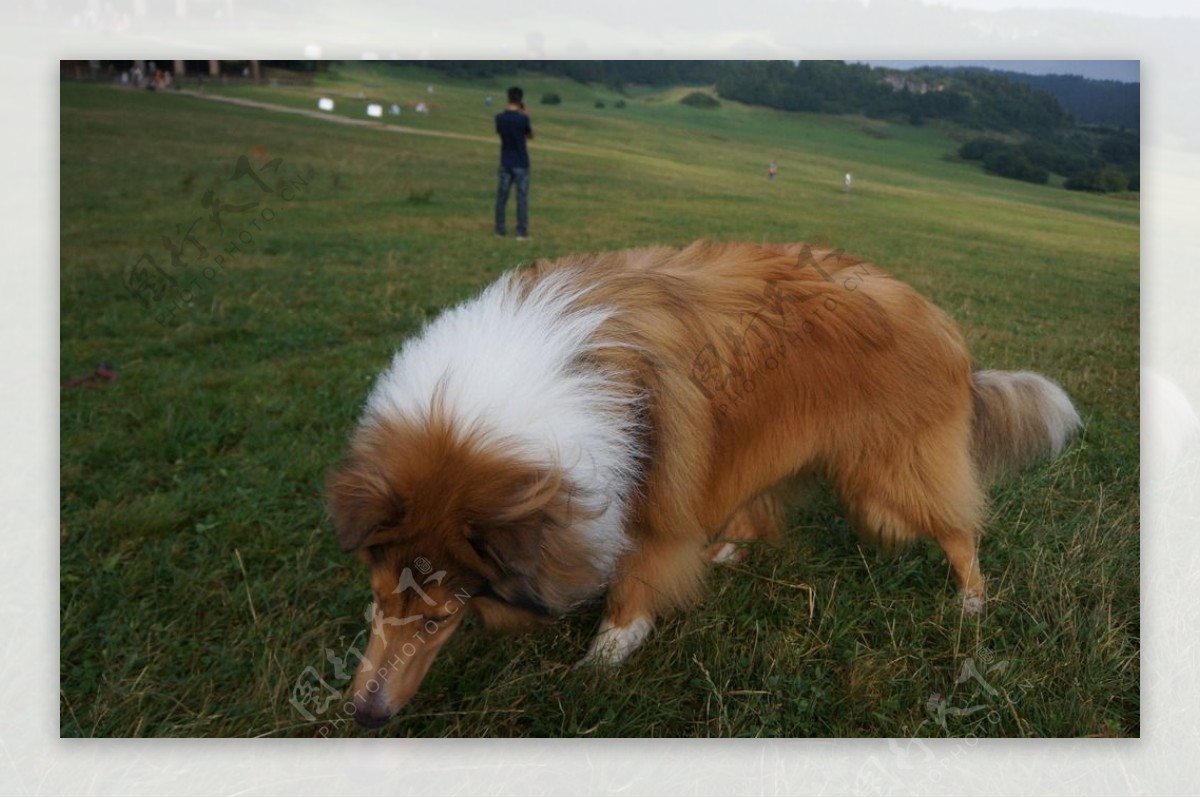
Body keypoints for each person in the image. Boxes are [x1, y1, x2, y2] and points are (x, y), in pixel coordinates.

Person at [494, 86, 534, 240]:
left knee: (502, 197)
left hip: (505, 160)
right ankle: (521, 231)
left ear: (508, 98)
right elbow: (530, 136)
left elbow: (500, 132)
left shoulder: (500, 118)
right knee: (521, 197)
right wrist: (525, 115)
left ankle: (499, 229)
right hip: (521, 162)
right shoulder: (523, 119)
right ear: (520, 101)